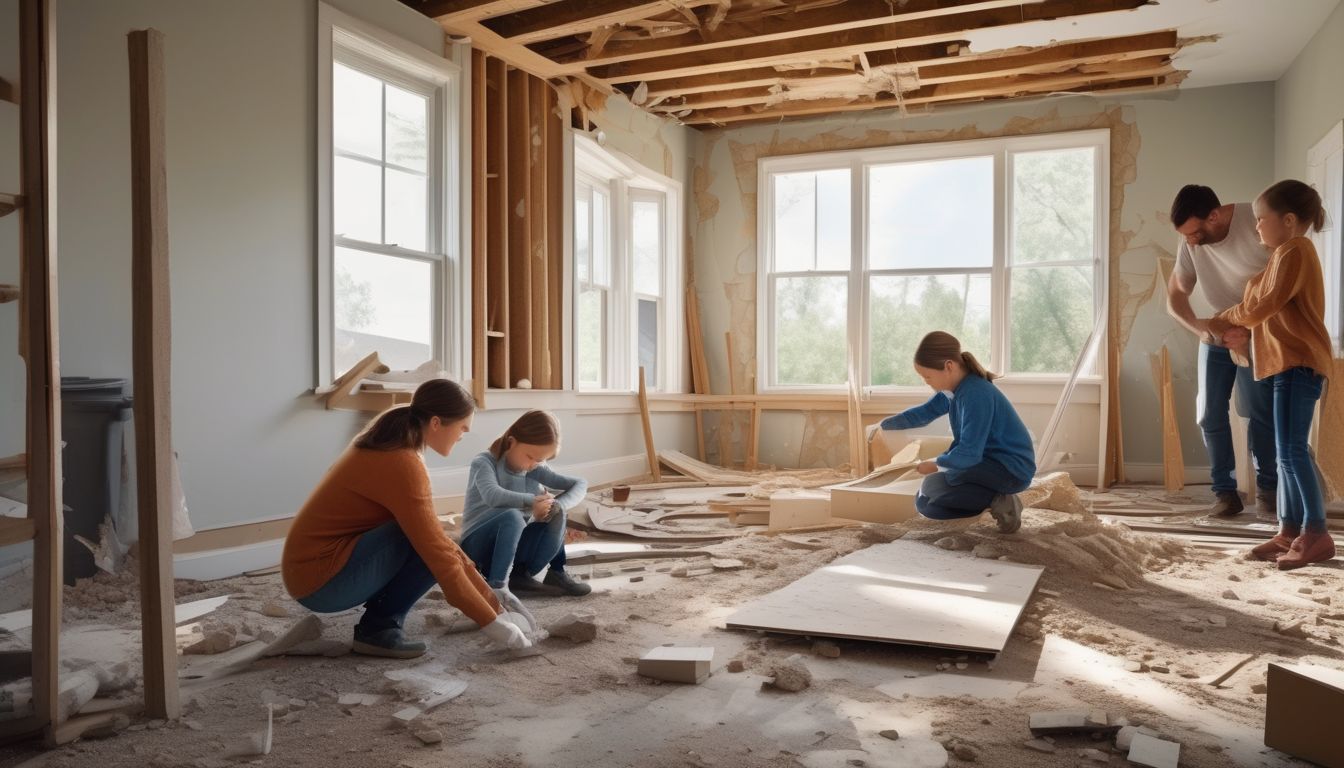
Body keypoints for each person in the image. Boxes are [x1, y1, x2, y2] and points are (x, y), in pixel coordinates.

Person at [282, 379, 531, 659]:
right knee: (422, 543)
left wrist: (494, 605)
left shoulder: (394, 438)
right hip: (320, 583)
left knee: (434, 539)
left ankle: (379, 622)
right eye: (462, 427)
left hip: (309, 572)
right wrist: (493, 623)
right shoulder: (402, 462)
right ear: (435, 423)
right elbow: (438, 554)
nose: (465, 434)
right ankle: (378, 629)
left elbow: (443, 545)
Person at [1208, 180, 1335, 569]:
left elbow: (1261, 306)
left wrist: (1221, 318)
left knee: (1292, 450)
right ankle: (1289, 530)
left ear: (1289, 220)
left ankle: (1316, 533)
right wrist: (1231, 319)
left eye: (1262, 219)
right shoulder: (1280, 256)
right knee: (1284, 453)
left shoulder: (1296, 250)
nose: (1257, 226)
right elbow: (1257, 305)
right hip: (1285, 365)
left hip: (1300, 363)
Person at [1167, 185, 1278, 517]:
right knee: (1209, 414)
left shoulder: (1257, 221)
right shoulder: (1190, 241)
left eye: (1195, 233)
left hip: (1258, 333)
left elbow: (1282, 288)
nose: (1190, 242)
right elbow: (1176, 294)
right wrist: (1201, 328)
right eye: (1185, 235)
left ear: (1214, 216)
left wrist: (1250, 330)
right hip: (1216, 333)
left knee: (1259, 412)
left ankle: (1269, 490)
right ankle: (1225, 493)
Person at [878, 331, 1036, 533]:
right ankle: (996, 496)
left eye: (927, 376)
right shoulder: (952, 392)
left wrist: (937, 464)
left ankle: (1000, 498)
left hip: (1009, 469)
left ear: (948, 366)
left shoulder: (976, 393)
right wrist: (884, 425)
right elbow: (924, 413)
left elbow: (969, 453)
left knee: (936, 490)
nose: (926, 382)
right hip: (983, 463)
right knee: (925, 502)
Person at [459, 410, 591, 597]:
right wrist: (532, 501)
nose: (533, 464)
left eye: (540, 460)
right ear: (512, 442)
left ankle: (552, 572)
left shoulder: (534, 467)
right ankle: (497, 585)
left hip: (513, 550)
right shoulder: (484, 462)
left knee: (556, 510)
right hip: (479, 546)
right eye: (530, 457)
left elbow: (580, 484)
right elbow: (492, 495)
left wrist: (555, 504)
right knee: (512, 516)